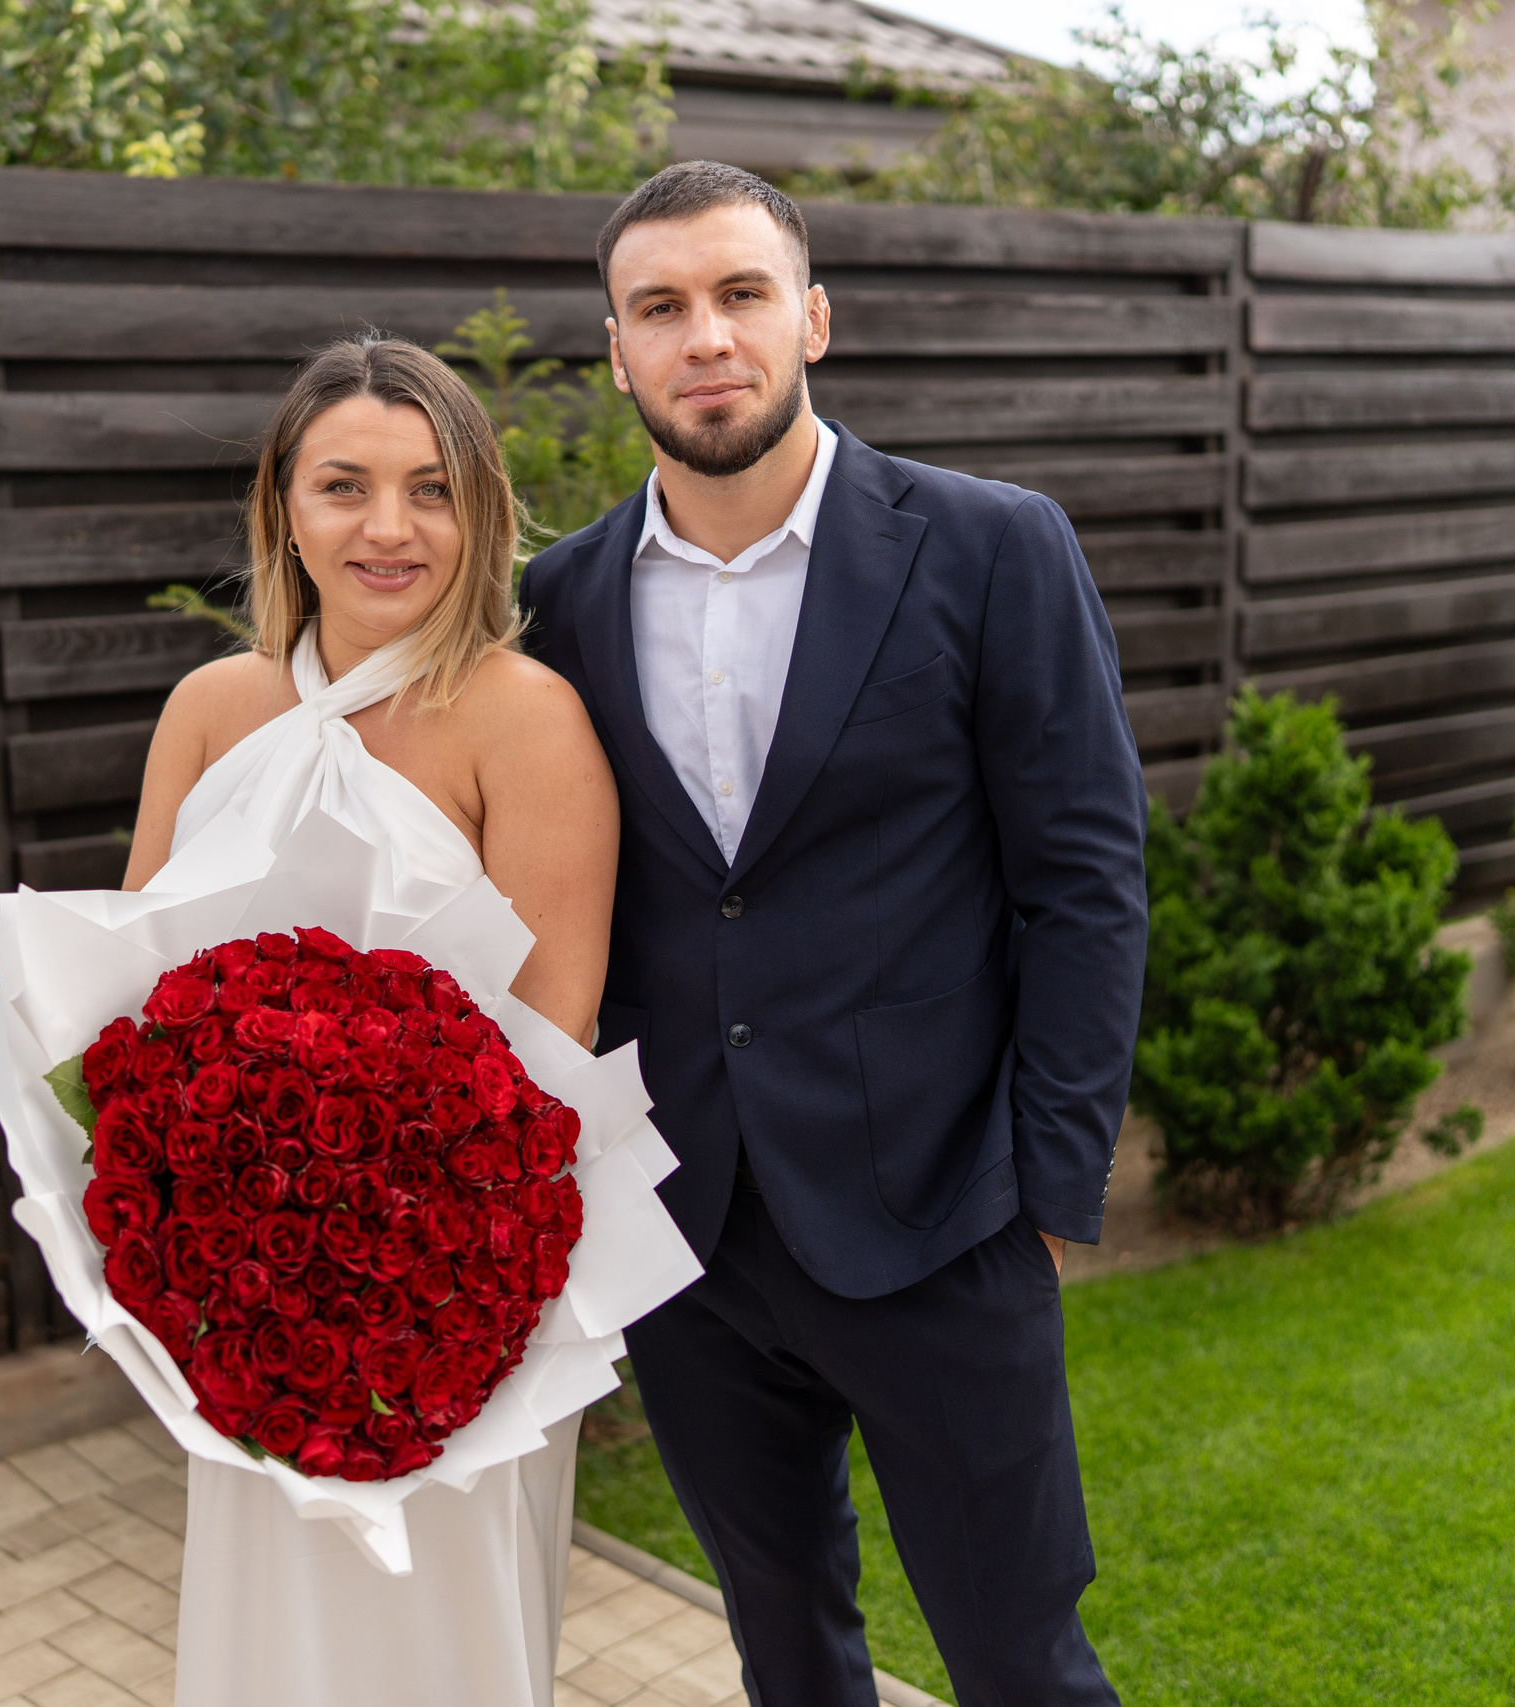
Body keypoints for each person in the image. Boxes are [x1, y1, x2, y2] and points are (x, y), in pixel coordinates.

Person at [520, 161, 1149, 1706]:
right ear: (617, 351)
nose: (706, 336)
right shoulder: (562, 601)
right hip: (689, 1233)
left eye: (740, 295)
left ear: (812, 317)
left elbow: (1084, 878)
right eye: (660, 307)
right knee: (785, 1649)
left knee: (1023, 1664)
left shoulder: (994, 546)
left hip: (943, 1218)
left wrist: (1051, 1185)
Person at [118, 336, 621, 1707]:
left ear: (482, 513)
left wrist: (397, 1278)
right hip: (242, 1298)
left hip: (458, 1306)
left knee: (440, 1649)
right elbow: (130, 1018)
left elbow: (548, 1060)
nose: (388, 529)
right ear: (286, 503)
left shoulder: (526, 720)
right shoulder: (210, 713)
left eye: (430, 489)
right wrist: (201, 1251)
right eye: (345, 485)